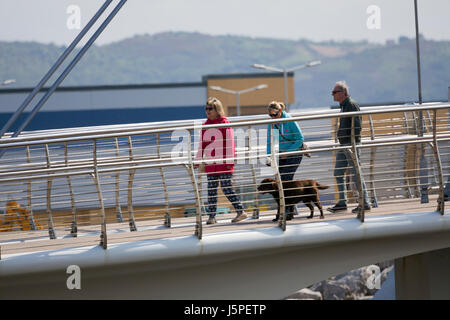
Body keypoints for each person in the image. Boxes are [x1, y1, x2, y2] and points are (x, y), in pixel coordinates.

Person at [195, 97, 247, 225]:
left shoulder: (224, 123)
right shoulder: (205, 126)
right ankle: (211, 217)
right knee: (211, 190)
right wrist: (197, 160)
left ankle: (241, 212)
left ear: (217, 109)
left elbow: (230, 144)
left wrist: (230, 162)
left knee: (226, 188)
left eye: (210, 108)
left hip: (224, 163)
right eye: (206, 108)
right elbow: (202, 145)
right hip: (211, 164)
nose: (207, 111)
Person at [327, 81, 371, 214]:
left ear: (342, 93)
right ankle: (342, 202)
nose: (332, 95)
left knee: (356, 173)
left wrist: (352, 142)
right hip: (344, 144)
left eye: (334, 92)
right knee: (338, 173)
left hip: (350, 144)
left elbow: (357, 125)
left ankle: (365, 202)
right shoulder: (343, 106)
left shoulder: (351, 105)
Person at [266, 101, 305, 219]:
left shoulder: (289, 120)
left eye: (275, 115)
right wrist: (268, 156)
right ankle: (286, 210)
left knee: (285, 180)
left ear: (280, 112)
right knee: (282, 183)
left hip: (295, 152)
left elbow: (300, 139)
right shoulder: (272, 123)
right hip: (282, 154)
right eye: (270, 115)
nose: (273, 118)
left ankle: (287, 211)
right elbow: (270, 141)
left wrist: (288, 153)